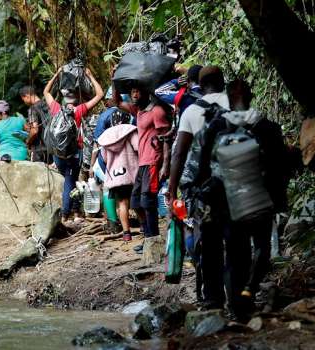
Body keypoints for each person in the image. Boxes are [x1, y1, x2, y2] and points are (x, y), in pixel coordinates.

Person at [220, 79, 290, 321]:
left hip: (231, 200)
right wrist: (280, 197)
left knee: (234, 254)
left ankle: (236, 306)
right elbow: (281, 165)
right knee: (261, 247)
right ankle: (249, 289)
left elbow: (207, 166)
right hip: (262, 197)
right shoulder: (268, 127)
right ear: (250, 95)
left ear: (228, 97)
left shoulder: (219, 127)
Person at [173, 66, 230, 310]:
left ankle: (213, 298)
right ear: (222, 82)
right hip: (238, 184)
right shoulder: (238, 104)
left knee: (209, 241)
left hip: (205, 189)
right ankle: (241, 295)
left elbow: (179, 152)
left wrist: (171, 188)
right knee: (237, 240)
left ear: (200, 84)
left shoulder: (192, 111)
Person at [43, 66, 104, 225]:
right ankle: (65, 215)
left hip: (58, 154)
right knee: (71, 182)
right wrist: (90, 76)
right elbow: (100, 95)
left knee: (71, 180)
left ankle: (76, 212)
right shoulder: (78, 111)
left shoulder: (57, 110)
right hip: (74, 153)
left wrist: (57, 74)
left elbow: (46, 92)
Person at [116, 87, 171, 254]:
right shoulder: (138, 111)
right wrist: (114, 81)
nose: (134, 94)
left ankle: (154, 239)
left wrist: (165, 165)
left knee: (148, 202)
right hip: (142, 163)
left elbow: (167, 137)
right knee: (135, 202)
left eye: (137, 91)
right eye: (132, 91)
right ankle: (148, 238)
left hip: (154, 161)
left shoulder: (157, 111)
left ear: (147, 92)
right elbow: (117, 102)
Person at [98, 118, 139, 241]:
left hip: (116, 176)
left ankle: (126, 233)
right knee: (137, 201)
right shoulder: (130, 132)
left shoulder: (106, 138)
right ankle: (145, 227)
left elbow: (104, 158)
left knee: (122, 203)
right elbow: (138, 148)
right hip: (132, 173)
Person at [19, 86, 51, 163]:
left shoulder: (32, 109)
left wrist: (28, 141)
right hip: (52, 147)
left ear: (27, 96)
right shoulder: (48, 104)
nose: (24, 102)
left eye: (23, 100)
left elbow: (34, 130)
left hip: (39, 149)